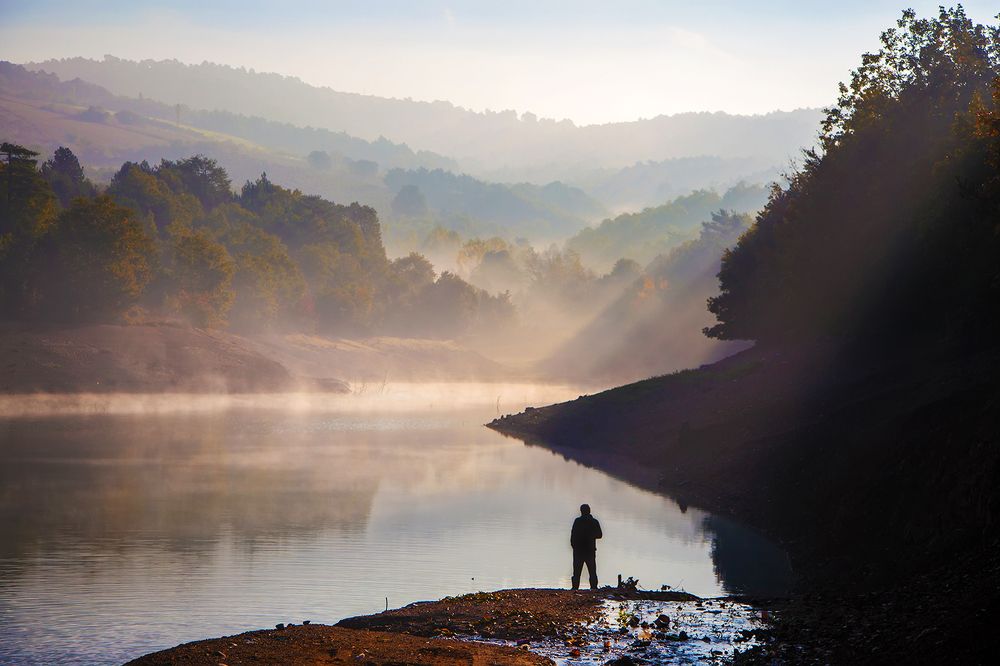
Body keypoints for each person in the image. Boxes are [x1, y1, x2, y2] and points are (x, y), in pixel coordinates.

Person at [570, 503, 603, 590]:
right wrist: (591, 535)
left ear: (581, 511)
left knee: (577, 572)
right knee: (592, 571)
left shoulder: (577, 521)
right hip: (589, 550)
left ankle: (574, 588)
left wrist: (574, 546)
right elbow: (599, 535)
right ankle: (594, 588)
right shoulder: (594, 522)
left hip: (579, 551)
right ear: (589, 511)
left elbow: (573, 535)